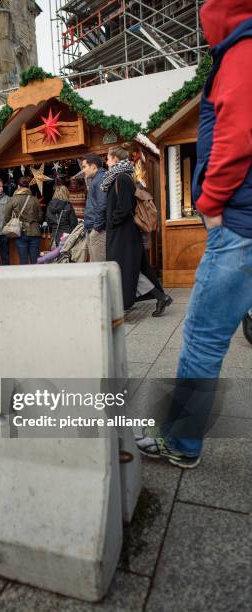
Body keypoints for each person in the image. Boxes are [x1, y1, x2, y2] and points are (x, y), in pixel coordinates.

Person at [136, 0, 252, 468]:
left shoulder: (242, 50)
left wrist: (208, 202)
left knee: (204, 339)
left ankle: (181, 442)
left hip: (239, 226)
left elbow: (238, 133)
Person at [104, 145, 172, 314]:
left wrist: (112, 222)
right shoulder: (118, 177)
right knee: (134, 267)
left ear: (115, 159)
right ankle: (160, 297)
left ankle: (127, 304)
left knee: (125, 268)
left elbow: (125, 207)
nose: (106, 161)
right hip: (123, 232)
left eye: (108, 157)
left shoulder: (122, 178)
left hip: (123, 233)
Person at [4, 177, 42, 265]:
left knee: (23, 260)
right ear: (28, 187)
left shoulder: (13, 199)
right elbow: (40, 217)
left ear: (18, 186)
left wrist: (11, 224)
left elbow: (6, 216)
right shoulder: (35, 199)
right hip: (35, 232)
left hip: (21, 232)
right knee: (35, 261)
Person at [82, 154, 107, 262]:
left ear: (93, 167)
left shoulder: (100, 178)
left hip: (97, 229)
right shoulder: (96, 179)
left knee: (99, 265)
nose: (83, 170)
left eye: (84, 167)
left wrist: (96, 228)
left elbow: (102, 204)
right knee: (95, 264)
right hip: (93, 227)